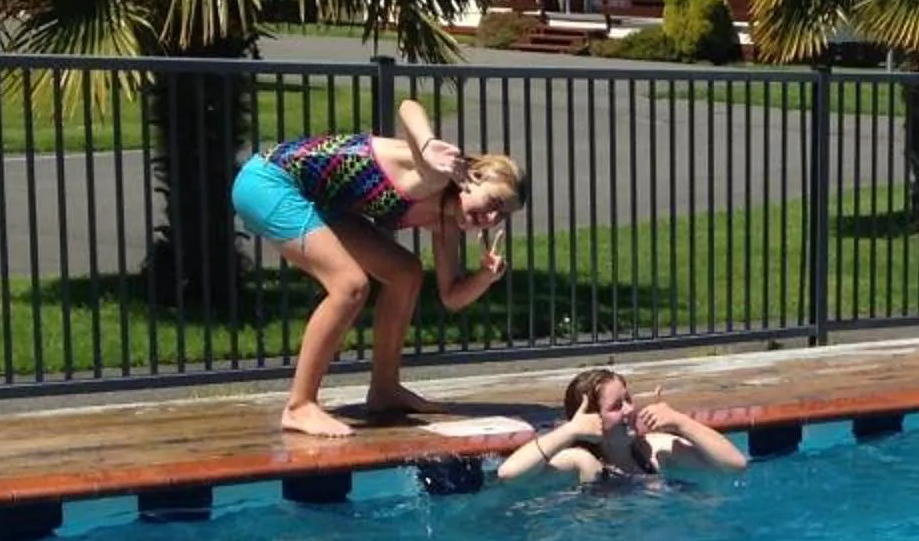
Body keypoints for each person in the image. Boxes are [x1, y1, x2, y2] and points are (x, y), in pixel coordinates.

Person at [231, 100, 527, 437]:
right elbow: (407, 106)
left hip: (321, 201)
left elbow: (451, 297)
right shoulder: (433, 174)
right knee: (350, 285)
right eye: (493, 204)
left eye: (501, 216)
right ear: (470, 179)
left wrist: (485, 277)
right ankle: (299, 406)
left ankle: (384, 390)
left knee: (405, 273)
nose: (490, 219)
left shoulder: (446, 223)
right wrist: (428, 144)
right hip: (269, 182)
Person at [496, 368, 750, 485]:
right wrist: (569, 431)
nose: (630, 409)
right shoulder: (583, 463)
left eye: (628, 399)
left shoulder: (651, 452)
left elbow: (735, 465)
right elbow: (508, 474)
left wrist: (681, 422)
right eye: (617, 406)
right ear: (592, 419)